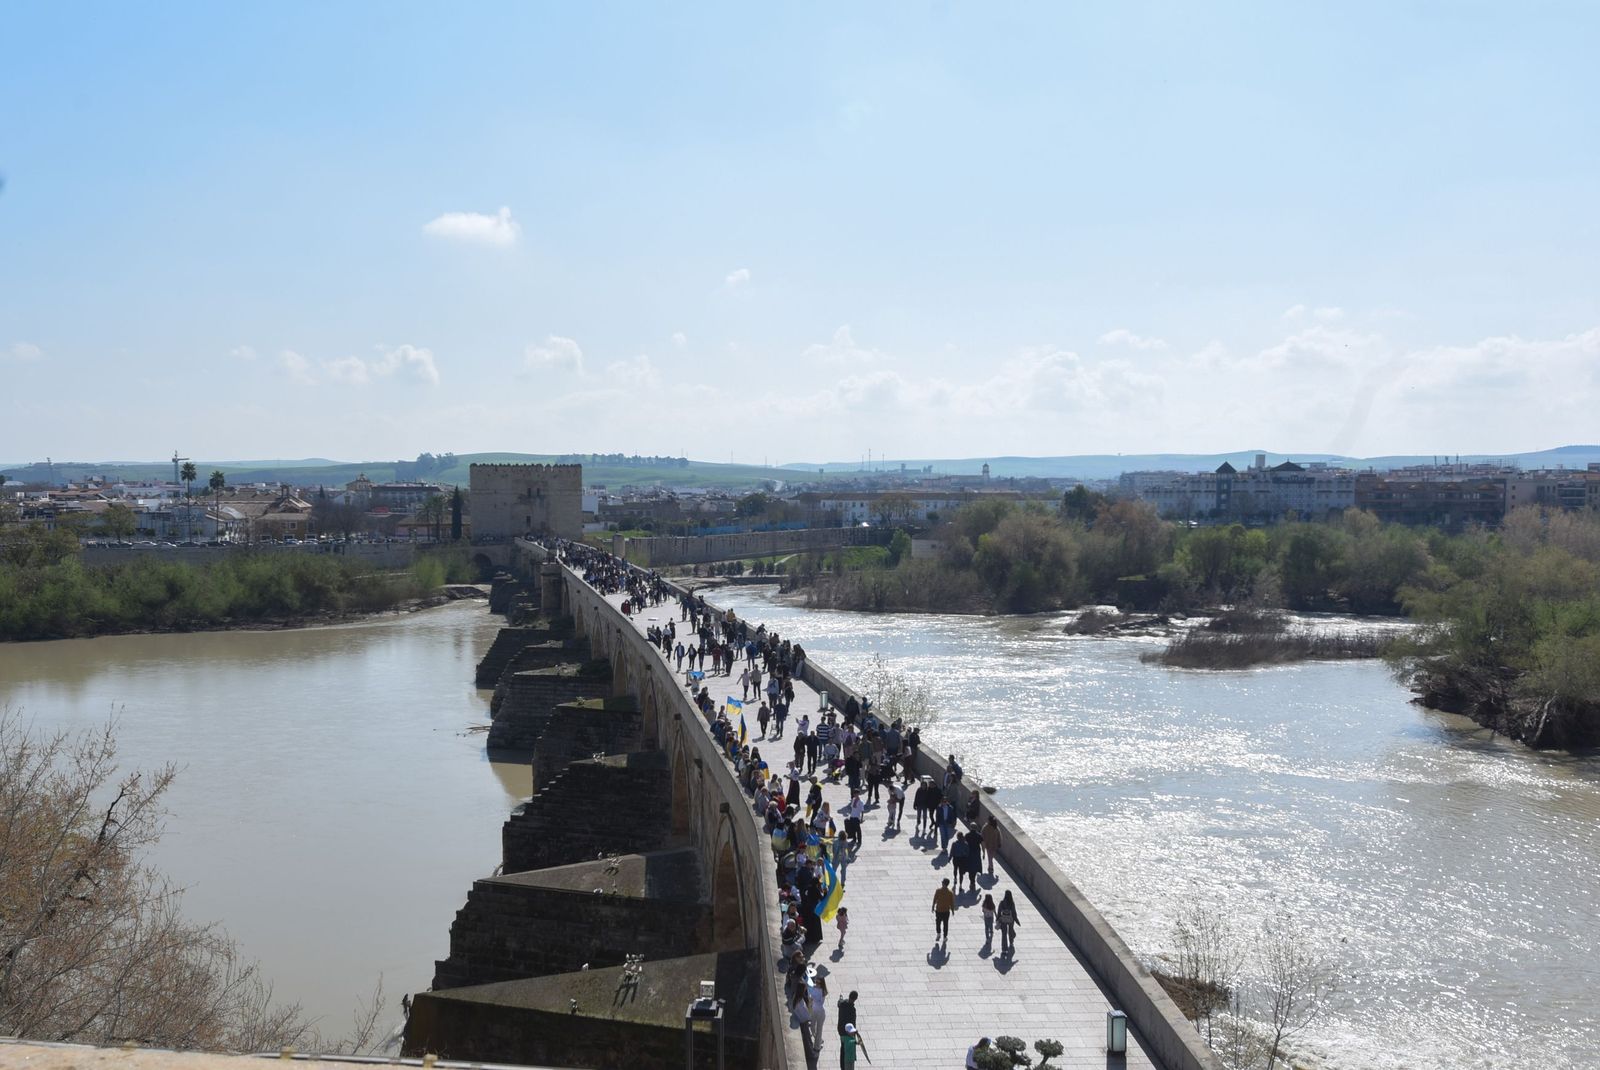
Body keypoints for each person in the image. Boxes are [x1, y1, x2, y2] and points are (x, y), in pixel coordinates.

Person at [932, 878, 955, 943]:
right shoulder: (950, 892)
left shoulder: (938, 891)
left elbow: (934, 899)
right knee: (945, 924)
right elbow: (952, 903)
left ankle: (939, 934)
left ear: (944, 883)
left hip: (939, 910)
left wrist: (933, 906)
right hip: (946, 911)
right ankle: (944, 937)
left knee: (938, 922)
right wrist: (952, 910)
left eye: (942, 882)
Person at [997, 889, 1019, 956]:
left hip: (1003, 920)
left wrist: (998, 918)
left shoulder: (1002, 902)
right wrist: (1016, 920)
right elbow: (1014, 912)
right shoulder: (1012, 903)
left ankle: (1004, 949)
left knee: (1004, 934)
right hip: (1010, 920)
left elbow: (999, 911)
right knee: (1011, 930)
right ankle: (1011, 942)